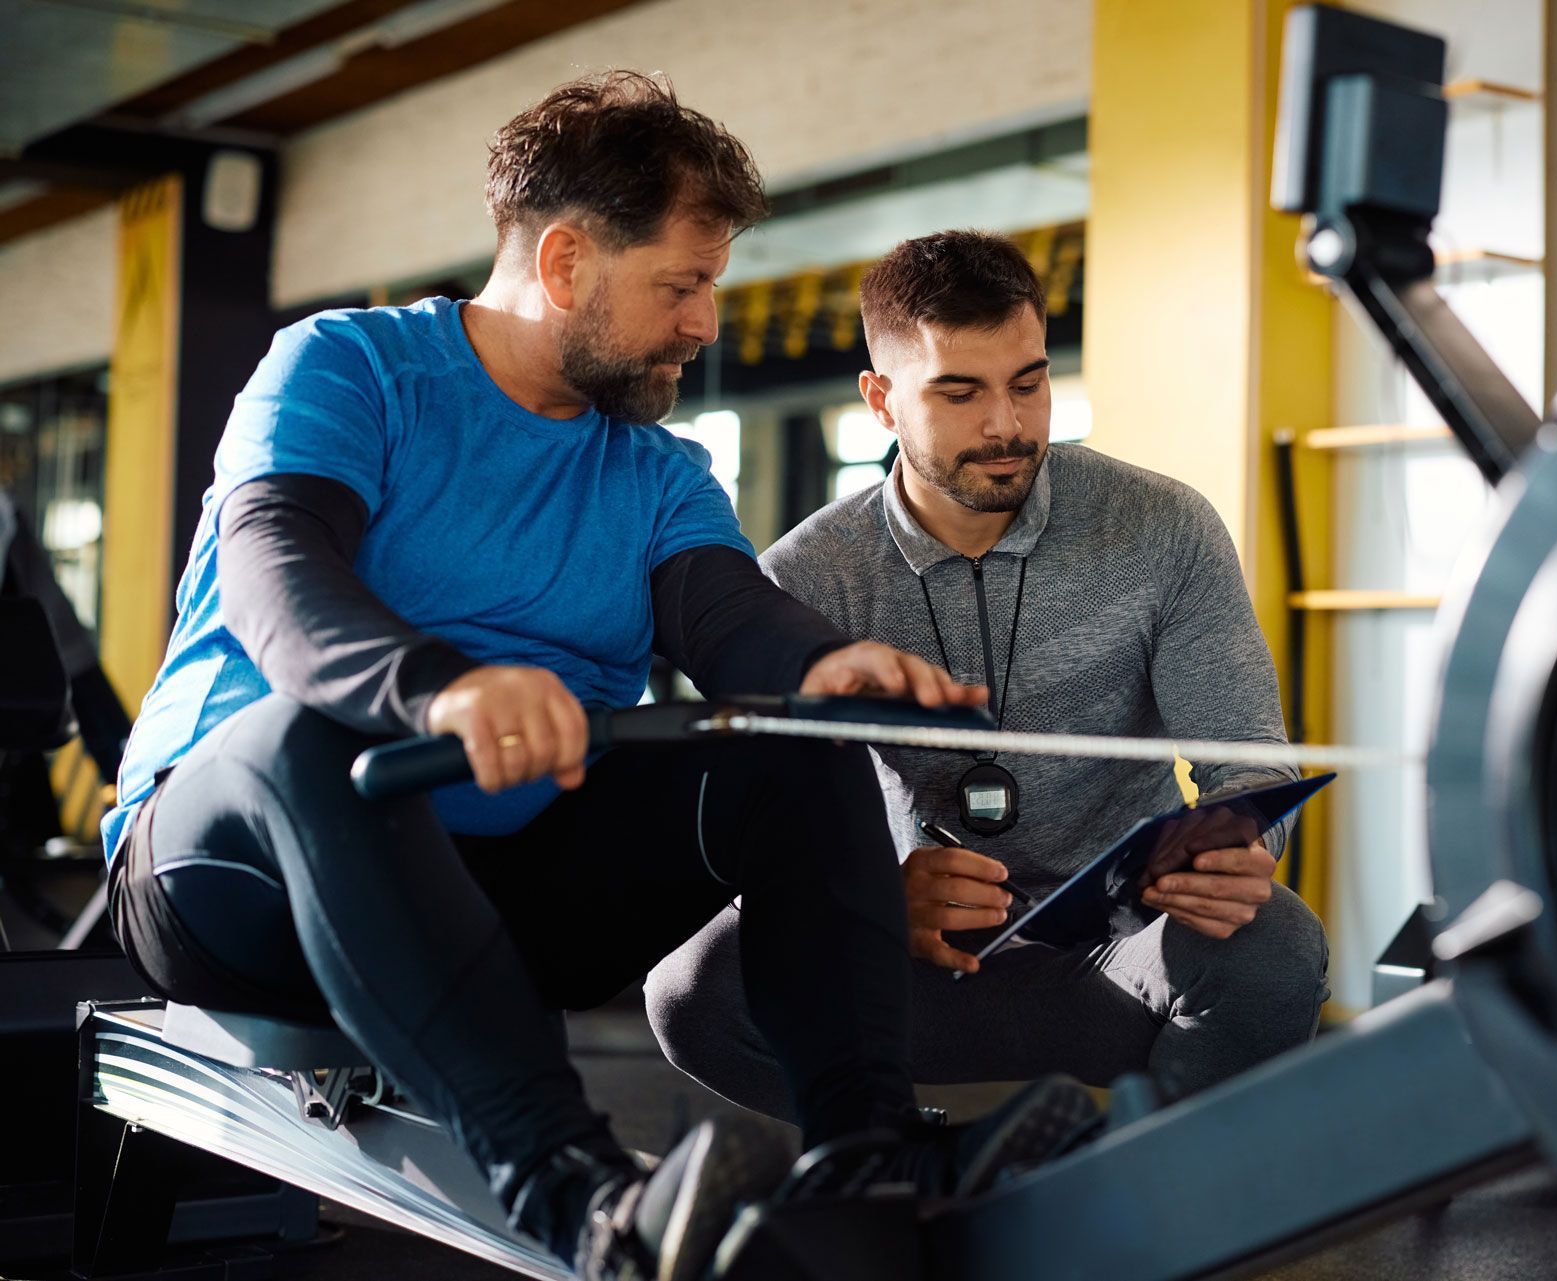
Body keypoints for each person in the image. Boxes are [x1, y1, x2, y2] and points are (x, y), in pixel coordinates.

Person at [100, 82, 1090, 1281]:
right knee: (304, 742)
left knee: (792, 742)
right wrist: (439, 690)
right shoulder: (348, 371)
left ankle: (869, 1159)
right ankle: (574, 1196)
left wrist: (826, 665)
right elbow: (277, 577)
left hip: (514, 897)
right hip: (236, 884)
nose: (706, 325)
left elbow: (729, 619)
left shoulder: (658, 471)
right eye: (682, 286)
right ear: (566, 262)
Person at [648, 231, 1330, 1116]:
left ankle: (1150, 1185)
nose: (1007, 425)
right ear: (882, 401)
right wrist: (876, 891)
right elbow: (768, 831)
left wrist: (1242, 848)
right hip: (908, 964)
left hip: (1120, 955)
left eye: (1029, 381)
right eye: (960, 392)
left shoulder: (1164, 526)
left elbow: (1247, 757)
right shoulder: (804, 578)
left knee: (1275, 942)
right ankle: (911, 1159)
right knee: (697, 993)